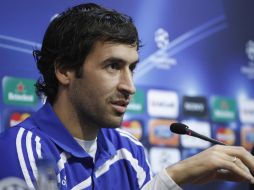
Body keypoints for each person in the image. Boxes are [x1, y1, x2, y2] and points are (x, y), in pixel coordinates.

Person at [0, 3, 254, 190]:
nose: (129, 86)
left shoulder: (129, 149)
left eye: (131, 68)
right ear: (64, 70)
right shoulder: (22, 150)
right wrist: (172, 177)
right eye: (113, 66)